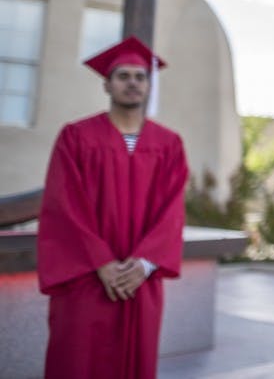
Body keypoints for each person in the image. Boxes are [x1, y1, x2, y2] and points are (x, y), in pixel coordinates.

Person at [37, 36, 189, 379]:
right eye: (123, 76)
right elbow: (63, 204)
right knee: (76, 360)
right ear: (107, 84)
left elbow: (173, 210)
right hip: (85, 275)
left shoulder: (169, 144)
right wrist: (101, 261)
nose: (132, 83)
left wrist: (146, 262)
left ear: (149, 85)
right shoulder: (76, 137)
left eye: (140, 76)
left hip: (140, 278)